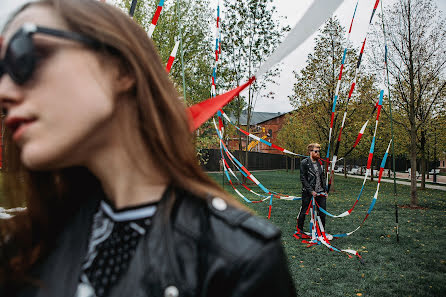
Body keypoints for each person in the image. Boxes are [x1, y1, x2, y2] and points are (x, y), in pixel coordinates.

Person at [0, 1, 297, 296]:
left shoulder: (236, 260)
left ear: (121, 69)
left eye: (24, 56)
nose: (4, 92)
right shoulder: (25, 243)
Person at [296, 143, 327, 237]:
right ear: (310, 152)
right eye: (316, 151)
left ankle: (321, 231)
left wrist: (325, 190)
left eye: (319, 151)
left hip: (320, 192)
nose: (318, 153)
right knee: (304, 211)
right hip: (308, 192)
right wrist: (311, 191)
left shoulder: (320, 162)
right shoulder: (304, 163)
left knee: (322, 212)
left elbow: (322, 177)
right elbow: (303, 178)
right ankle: (299, 230)